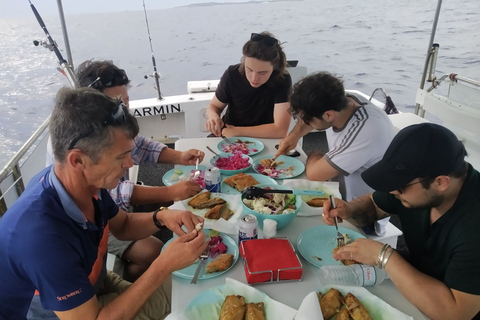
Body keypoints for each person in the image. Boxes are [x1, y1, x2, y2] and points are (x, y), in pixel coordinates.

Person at [0, 87, 207, 320]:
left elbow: (123, 224)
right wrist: (163, 266)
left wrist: (161, 216)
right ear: (78, 160)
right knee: (184, 297)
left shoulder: (85, 183)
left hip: (94, 281)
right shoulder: (41, 238)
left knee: (186, 287)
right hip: (64, 314)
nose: (130, 164)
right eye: (121, 157)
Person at [46, 60, 205, 282]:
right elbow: (118, 194)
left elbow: (139, 147)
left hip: (108, 229)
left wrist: (179, 157)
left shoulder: (107, 131)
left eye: (126, 101)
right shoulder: (47, 229)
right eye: (116, 103)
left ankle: (134, 279)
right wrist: (169, 195)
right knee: (154, 251)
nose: (131, 163)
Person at [323, 123, 480, 320]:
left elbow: (456, 313)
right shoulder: (414, 190)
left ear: (441, 182)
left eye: (400, 186)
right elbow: (373, 204)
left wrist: (384, 256)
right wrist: (349, 209)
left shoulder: (473, 225)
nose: (392, 191)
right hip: (412, 286)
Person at [274, 72, 395, 201]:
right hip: (336, 189)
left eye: (309, 119)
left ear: (329, 115)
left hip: (358, 208)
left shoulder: (365, 132)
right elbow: (312, 115)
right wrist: (293, 137)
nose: (305, 121)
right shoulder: (345, 101)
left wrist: (315, 154)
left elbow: (314, 173)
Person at [205, 31, 292, 139]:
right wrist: (213, 116)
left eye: (262, 73)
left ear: (274, 68)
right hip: (228, 134)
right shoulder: (232, 74)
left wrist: (236, 131)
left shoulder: (282, 80)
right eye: (249, 69)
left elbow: (280, 131)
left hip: (264, 137)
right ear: (244, 62)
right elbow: (214, 106)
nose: (254, 78)